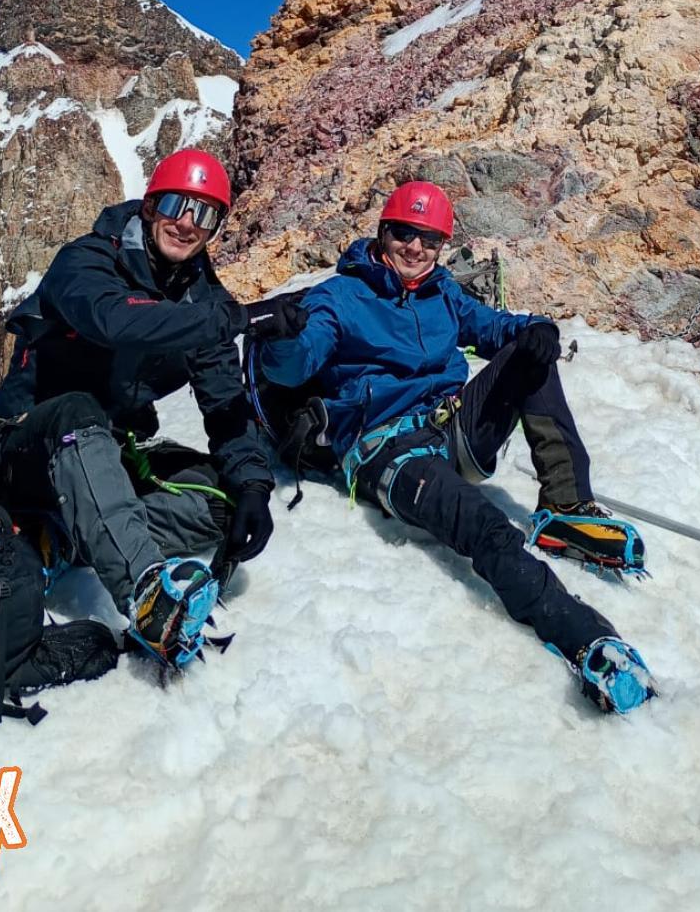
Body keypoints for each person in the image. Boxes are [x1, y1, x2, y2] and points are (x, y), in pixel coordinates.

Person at [257, 180, 656, 714]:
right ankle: (582, 635)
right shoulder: (340, 297)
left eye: (429, 239)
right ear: (383, 232)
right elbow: (294, 366)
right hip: (388, 451)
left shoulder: (441, 292)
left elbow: (494, 328)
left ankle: (565, 505)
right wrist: (283, 339)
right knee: (483, 525)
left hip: (447, 429)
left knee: (530, 354)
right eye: (405, 233)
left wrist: (538, 328)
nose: (415, 248)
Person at [0, 148, 306, 669]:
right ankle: (149, 596)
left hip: (108, 456)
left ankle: (63, 538)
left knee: (221, 500)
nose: (187, 223)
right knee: (77, 408)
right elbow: (116, 320)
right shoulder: (86, 261)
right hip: (27, 451)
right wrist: (236, 320)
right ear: (151, 206)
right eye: (176, 205)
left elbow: (224, 398)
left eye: (205, 214)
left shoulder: (203, 299)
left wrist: (252, 486)